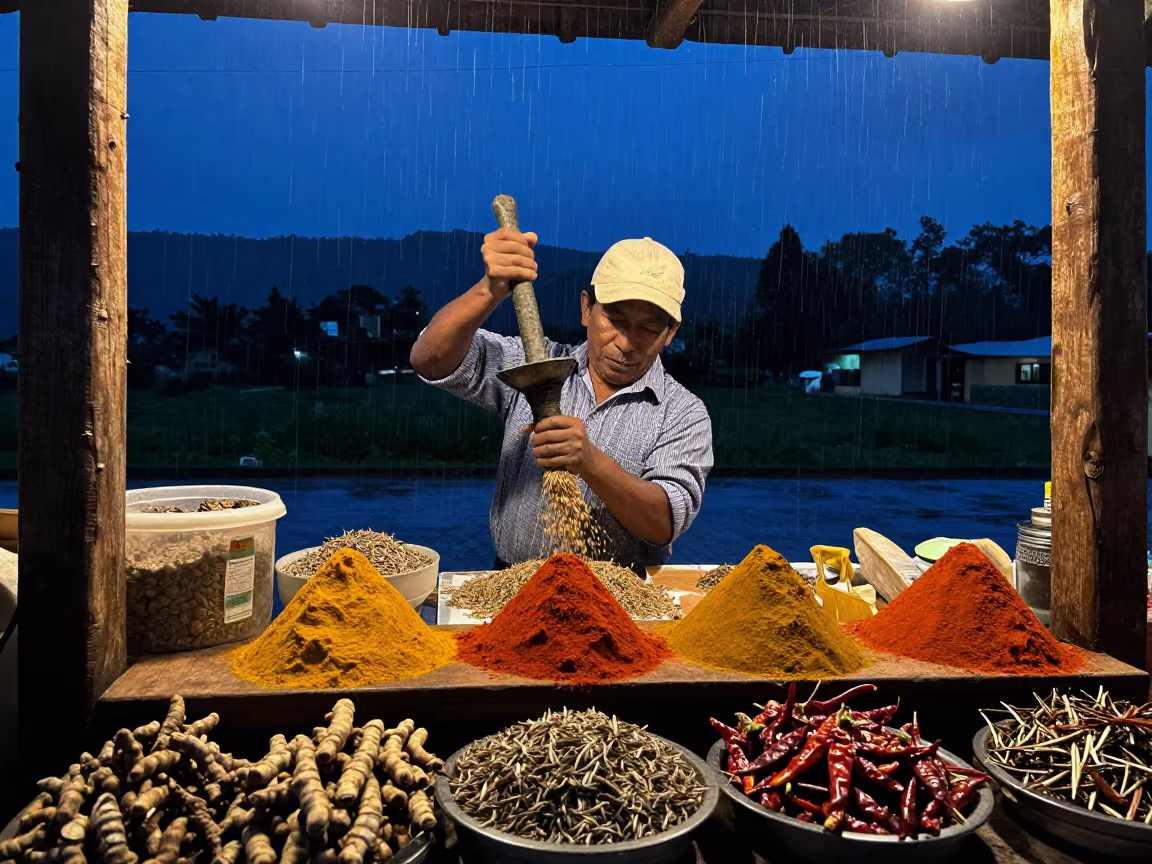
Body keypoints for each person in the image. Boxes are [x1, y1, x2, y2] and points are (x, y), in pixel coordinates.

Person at [410, 226, 713, 571]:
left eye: (647, 328)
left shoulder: (683, 413)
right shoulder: (532, 362)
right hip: (513, 588)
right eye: (614, 319)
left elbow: (664, 524)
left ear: (670, 333)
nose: (626, 342)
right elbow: (429, 359)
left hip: (620, 601)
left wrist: (590, 462)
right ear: (587, 309)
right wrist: (490, 289)